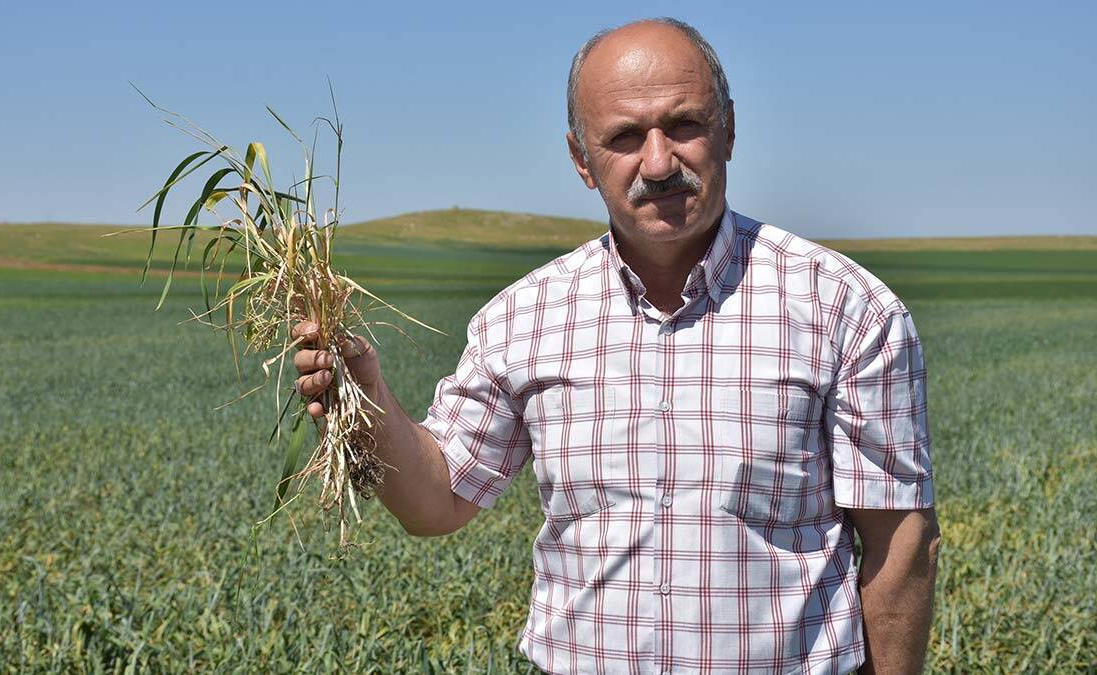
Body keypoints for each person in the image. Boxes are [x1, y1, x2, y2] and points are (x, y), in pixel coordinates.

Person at [293, 17, 940, 674]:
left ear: (729, 129)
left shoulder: (845, 308)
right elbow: (438, 501)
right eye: (624, 137)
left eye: (684, 124)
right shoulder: (523, 317)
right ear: (581, 159)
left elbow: (902, 544)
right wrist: (364, 395)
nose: (658, 162)